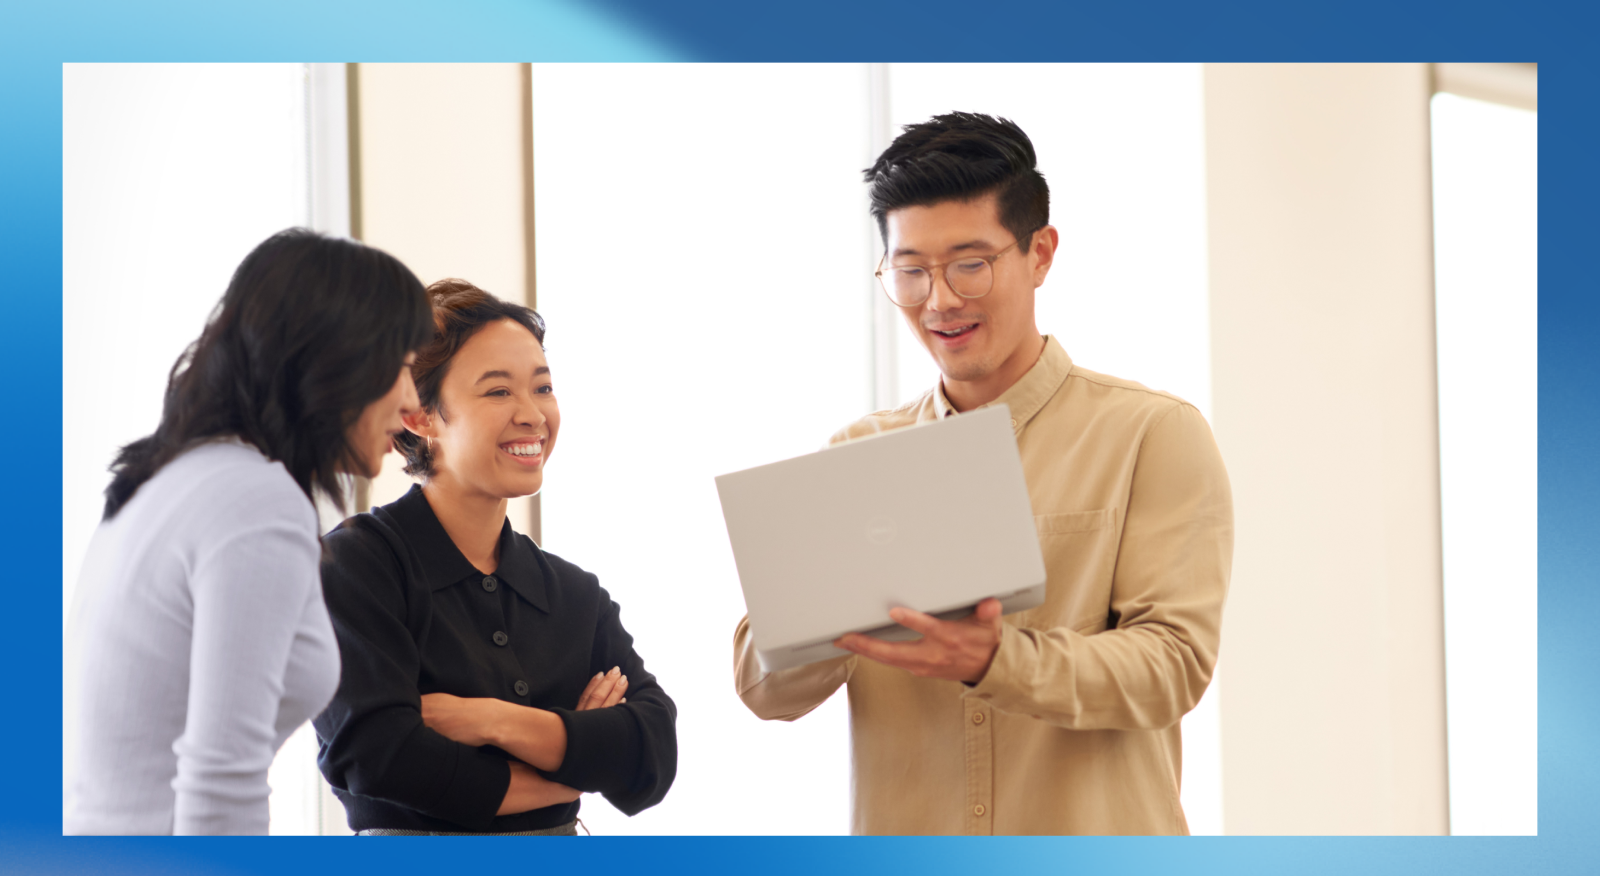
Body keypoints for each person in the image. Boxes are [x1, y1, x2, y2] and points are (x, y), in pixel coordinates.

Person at [733, 113, 1234, 835]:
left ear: (1040, 253)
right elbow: (762, 690)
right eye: (911, 271)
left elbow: (1172, 668)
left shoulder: (1151, 433)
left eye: (970, 264)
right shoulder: (856, 457)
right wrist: (827, 617)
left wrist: (1000, 658)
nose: (939, 300)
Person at [63, 229, 434, 835]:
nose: (411, 400)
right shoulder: (257, 502)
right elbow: (220, 782)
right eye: (401, 366)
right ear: (337, 358)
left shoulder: (175, 476)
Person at [315, 279, 677, 836]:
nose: (533, 414)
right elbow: (378, 757)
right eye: (498, 391)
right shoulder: (354, 566)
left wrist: (489, 720)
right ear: (419, 415)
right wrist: (573, 766)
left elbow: (652, 755)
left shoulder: (574, 593)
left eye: (543, 387)